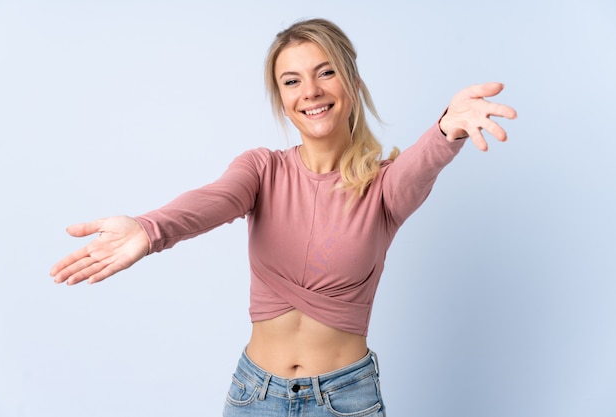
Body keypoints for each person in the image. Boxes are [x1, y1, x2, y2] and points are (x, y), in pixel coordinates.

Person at [50, 18, 516, 417]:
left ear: (351, 81)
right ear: (281, 96)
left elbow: (421, 163)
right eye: (292, 81)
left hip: (345, 399)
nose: (310, 91)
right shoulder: (261, 169)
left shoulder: (383, 187)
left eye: (325, 73)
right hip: (255, 395)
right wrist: (150, 229)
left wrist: (444, 130)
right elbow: (216, 198)